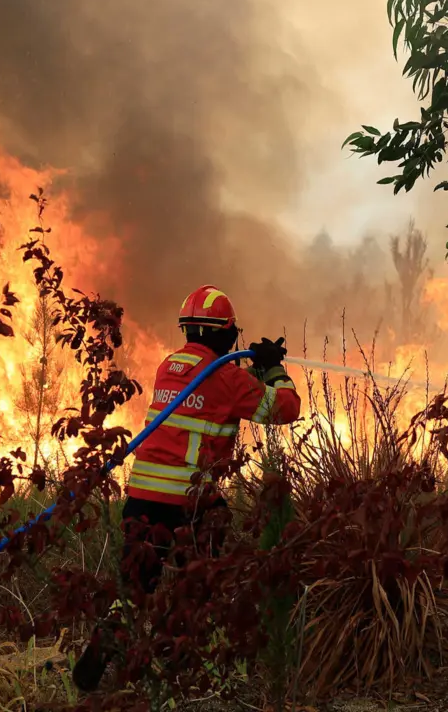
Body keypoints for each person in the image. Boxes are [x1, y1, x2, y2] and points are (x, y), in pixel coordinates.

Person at [72, 284, 302, 692]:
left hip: (142, 497)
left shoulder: (169, 366)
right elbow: (284, 408)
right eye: (232, 332)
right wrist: (274, 372)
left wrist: (250, 370)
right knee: (200, 584)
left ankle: (103, 651)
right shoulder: (226, 379)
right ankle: (182, 662)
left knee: (136, 584)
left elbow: (215, 390)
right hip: (190, 504)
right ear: (223, 333)